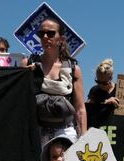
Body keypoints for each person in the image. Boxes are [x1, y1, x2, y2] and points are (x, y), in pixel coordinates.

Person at [30, 17, 87, 147]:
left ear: (61, 39)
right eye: (41, 33)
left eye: (50, 33)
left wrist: (83, 137)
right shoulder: (28, 64)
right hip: (37, 132)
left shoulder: (74, 69)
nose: (45, 37)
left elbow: (80, 109)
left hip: (65, 132)